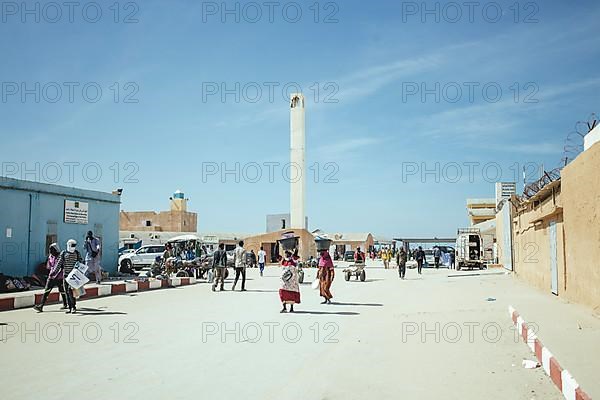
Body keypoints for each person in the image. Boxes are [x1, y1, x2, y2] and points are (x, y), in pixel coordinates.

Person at [34, 243, 68, 312]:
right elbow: (48, 266)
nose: (50, 251)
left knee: (62, 290)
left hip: (60, 277)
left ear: (56, 250)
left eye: (52, 249)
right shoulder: (50, 257)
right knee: (47, 290)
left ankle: (65, 304)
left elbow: (62, 266)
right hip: (51, 276)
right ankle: (41, 305)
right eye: (50, 250)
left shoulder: (60, 257)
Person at [57, 239, 83, 314]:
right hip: (65, 275)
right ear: (68, 245)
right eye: (72, 245)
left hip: (73, 276)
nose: (73, 247)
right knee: (66, 291)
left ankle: (73, 307)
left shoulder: (77, 253)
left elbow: (81, 262)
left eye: (74, 245)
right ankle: (69, 307)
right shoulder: (63, 253)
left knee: (71, 291)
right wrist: (54, 272)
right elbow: (59, 263)